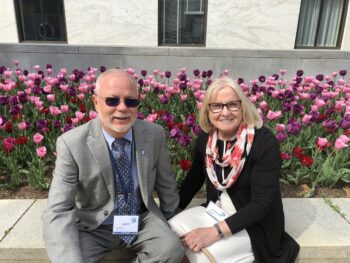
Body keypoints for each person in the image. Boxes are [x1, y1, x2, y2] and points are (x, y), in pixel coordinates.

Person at [43, 69, 184, 263]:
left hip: (141, 220)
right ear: (95, 102)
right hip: (94, 226)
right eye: (112, 100)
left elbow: (167, 186)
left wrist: (175, 226)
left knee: (171, 250)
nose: (122, 108)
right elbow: (58, 210)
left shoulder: (154, 135)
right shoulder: (72, 143)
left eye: (131, 101)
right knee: (69, 257)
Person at [172, 77, 299, 262]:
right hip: (215, 211)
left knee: (202, 257)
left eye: (232, 104)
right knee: (169, 231)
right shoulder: (206, 140)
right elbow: (194, 179)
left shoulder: (263, 142)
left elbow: (261, 205)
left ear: (243, 106)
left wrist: (214, 233)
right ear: (208, 110)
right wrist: (174, 209)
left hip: (254, 225)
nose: (225, 112)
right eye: (216, 106)